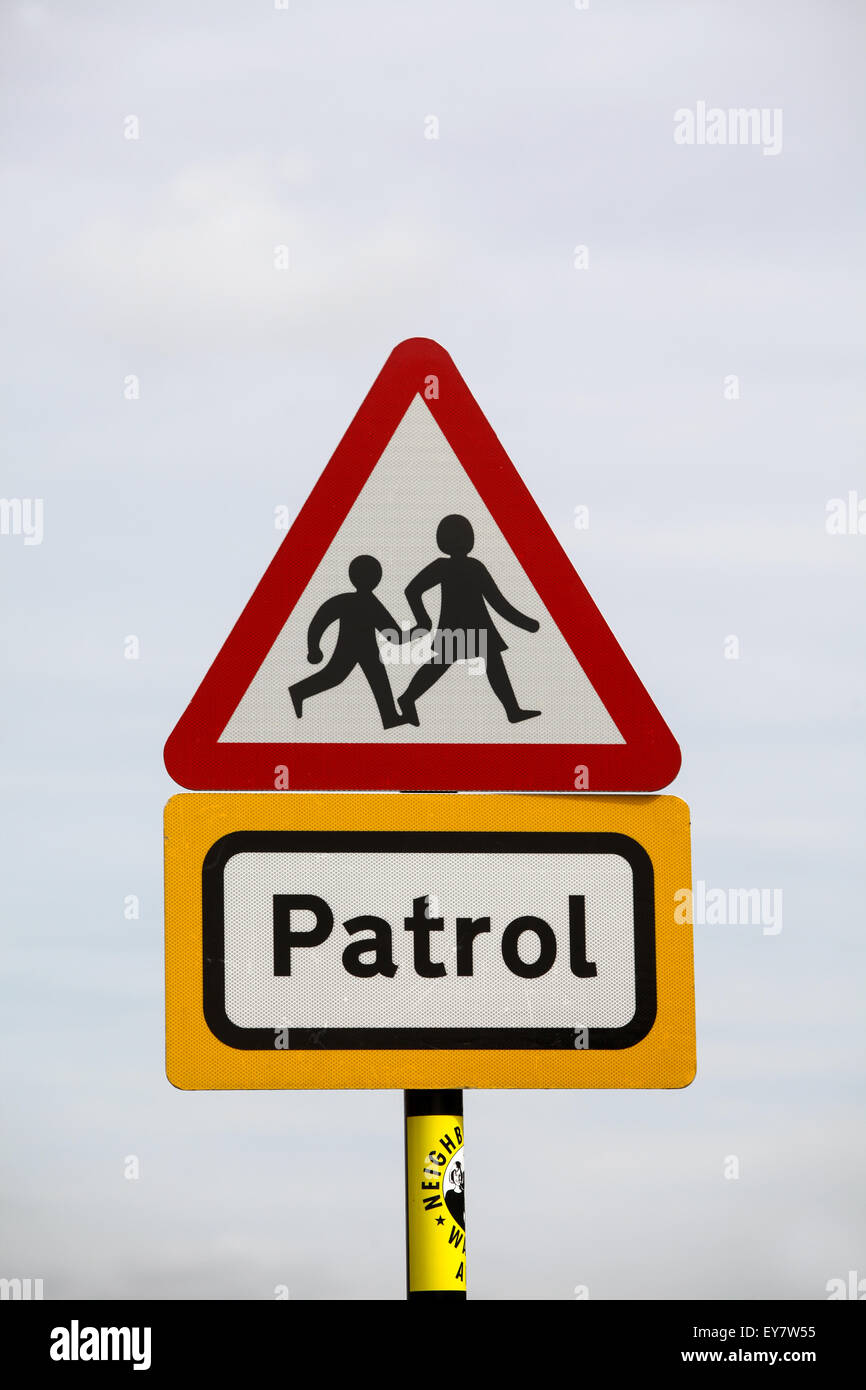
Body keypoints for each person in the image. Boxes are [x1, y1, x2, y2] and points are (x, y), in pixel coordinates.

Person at [398, 515, 541, 726]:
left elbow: (497, 601)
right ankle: (407, 698)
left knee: (486, 662)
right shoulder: (467, 566)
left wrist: (423, 620)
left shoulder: (454, 566)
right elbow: (498, 603)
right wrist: (526, 623)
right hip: (463, 626)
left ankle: (512, 710)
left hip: (470, 626)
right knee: (444, 664)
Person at [289, 555, 411, 729]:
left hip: (365, 650)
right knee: (336, 677)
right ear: (377, 578)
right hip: (352, 649)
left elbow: (320, 620)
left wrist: (314, 647)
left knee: (375, 679)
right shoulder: (365, 602)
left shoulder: (351, 600)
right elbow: (321, 619)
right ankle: (298, 691)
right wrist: (313, 648)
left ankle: (390, 716)